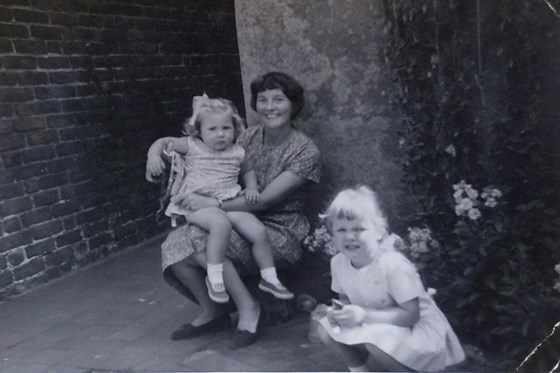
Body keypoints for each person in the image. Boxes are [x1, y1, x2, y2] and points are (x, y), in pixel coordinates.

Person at [147, 71, 321, 349]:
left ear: (293, 104)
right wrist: (157, 157)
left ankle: (248, 308)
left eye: (279, 99)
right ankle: (213, 311)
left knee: (199, 240)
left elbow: (264, 201)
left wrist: (213, 204)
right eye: (263, 100)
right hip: (235, 214)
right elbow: (193, 152)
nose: (270, 106)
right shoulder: (246, 136)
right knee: (175, 243)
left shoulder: (305, 151)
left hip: (278, 227)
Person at [146, 94, 294, 304]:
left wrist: (251, 187)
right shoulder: (192, 146)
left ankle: (269, 278)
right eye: (212, 129)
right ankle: (214, 277)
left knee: (258, 231)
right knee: (219, 223)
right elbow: (162, 143)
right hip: (196, 203)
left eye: (226, 128)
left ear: (235, 129)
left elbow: (248, 170)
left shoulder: (237, 151)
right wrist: (152, 156)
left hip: (227, 199)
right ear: (199, 132)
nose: (220, 134)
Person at [316, 186, 465, 372]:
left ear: (378, 232)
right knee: (327, 329)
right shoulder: (338, 262)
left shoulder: (393, 265)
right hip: (374, 322)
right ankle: (361, 370)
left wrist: (364, 316)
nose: (349, 236)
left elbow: (411, 315)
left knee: (374, 342)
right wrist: (342, 313)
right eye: (341, 230)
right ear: (332, 232)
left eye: (359, 229)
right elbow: (345, 297)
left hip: (416, 329)